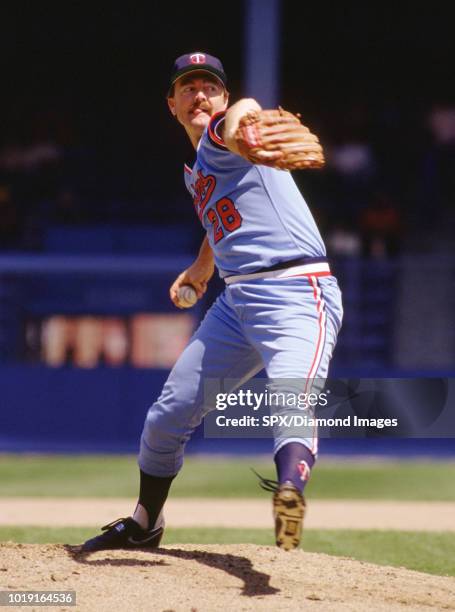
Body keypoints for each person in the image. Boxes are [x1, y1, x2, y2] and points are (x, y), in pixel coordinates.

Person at [81, 52, 343, 553]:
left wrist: (244, 118)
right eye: (188, 87)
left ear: (221, 99)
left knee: (292, 394)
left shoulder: (228, 131)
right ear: (171, 104)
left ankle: (290, 491)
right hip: (236, 302)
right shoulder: (197, 167)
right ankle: (145, 521)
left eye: (209, 86)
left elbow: (245, 107)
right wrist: (202, 271)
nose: (199, 94)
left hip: (295, 292)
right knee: (168, 413)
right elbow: (221, 220)